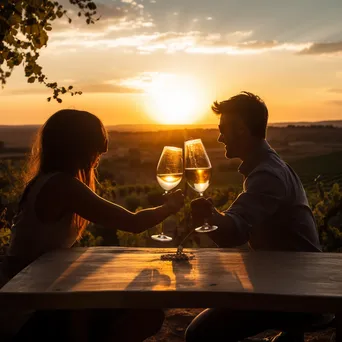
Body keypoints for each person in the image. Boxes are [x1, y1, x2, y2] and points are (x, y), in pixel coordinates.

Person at [0, 109, 184, 342]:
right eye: (97, 145)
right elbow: (133, 222)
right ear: (77, 146)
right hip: (25, 310)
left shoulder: (48, 181)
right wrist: (169, 207)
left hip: (36, 294)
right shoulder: (63, 186)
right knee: (145, 315)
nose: (102, 153)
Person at [185, 91, 331, 342]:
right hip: (291, 278)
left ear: (241, 130)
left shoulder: (267, 175)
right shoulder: (271, 166)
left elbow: (235, 231)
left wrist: (209, 216)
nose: (220, 138)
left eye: (223, 130)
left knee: (199, 334)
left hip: (293, 291)